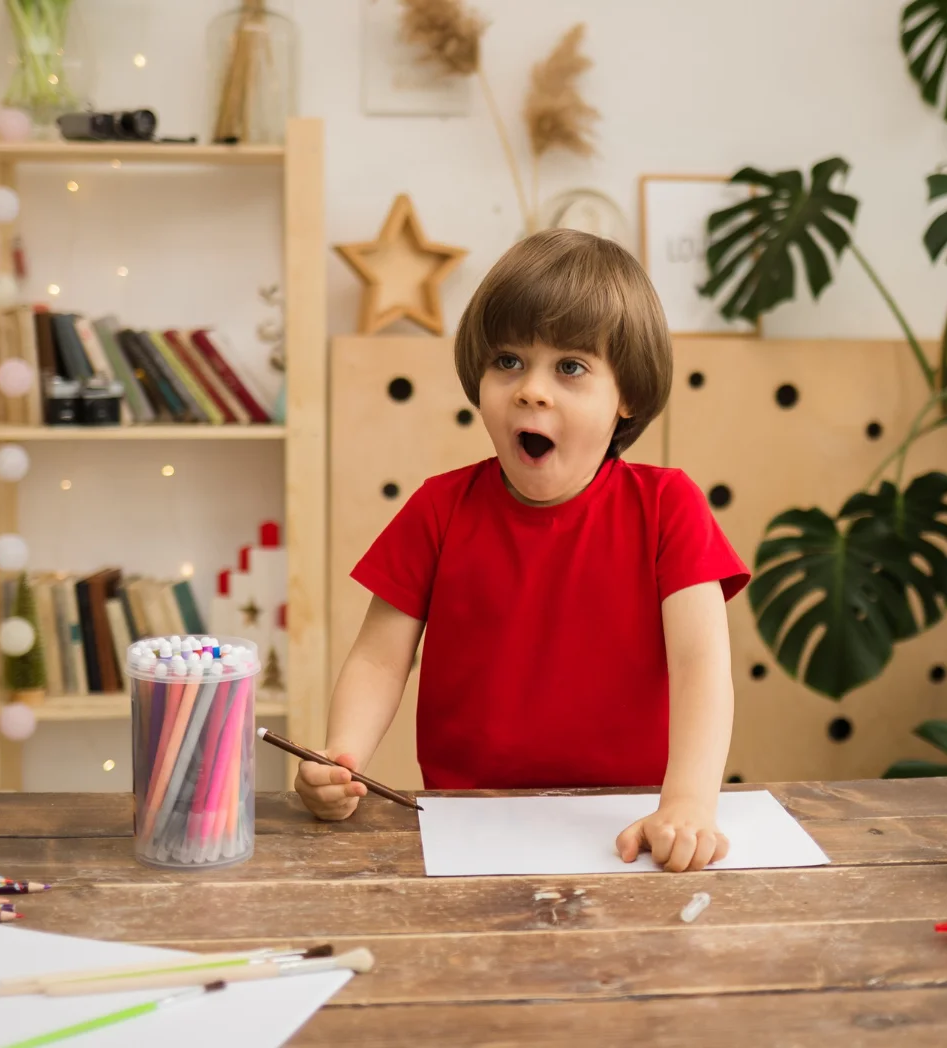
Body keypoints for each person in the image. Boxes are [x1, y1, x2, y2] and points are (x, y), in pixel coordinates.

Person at [299, 228, 749, 873]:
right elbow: (377, 660)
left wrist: (688, 803)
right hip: (469, 821)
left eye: (570, 367)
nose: (530, 389)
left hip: (626, 823)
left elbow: (701, 665)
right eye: (508, 361)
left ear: (629, 396)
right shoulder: (438, 508)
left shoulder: (668, 507)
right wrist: (340, 759)